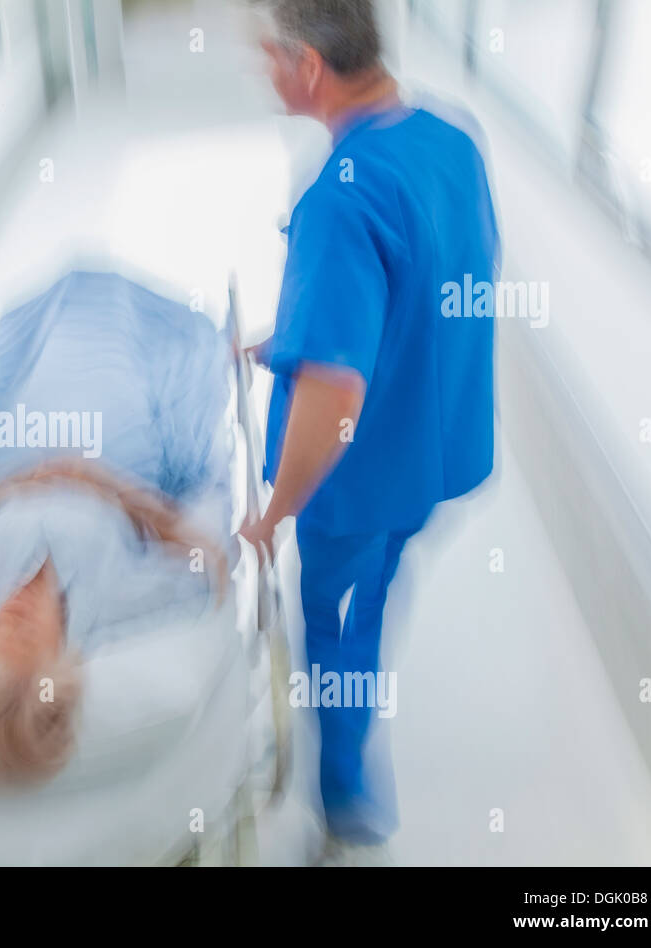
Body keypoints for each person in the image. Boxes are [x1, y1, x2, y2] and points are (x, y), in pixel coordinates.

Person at [241, 0, 499, 862]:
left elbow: (335, 398)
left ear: (308, 66)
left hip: (356, 489)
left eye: (268, 56)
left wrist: (275, 511)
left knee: (340, 628)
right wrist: (297, 334)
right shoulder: (450, 137)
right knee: (379, 592)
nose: (263, 72)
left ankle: (347, 801)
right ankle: (349, 767)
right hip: (434, 455)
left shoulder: (338, 200)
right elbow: (432, 280)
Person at [0, 458, 227, 782]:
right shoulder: (113, 607)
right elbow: (209, 564)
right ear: (57, 663)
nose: (8, 605)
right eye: (24, 629)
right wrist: (113, 489)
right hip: (133, 464)